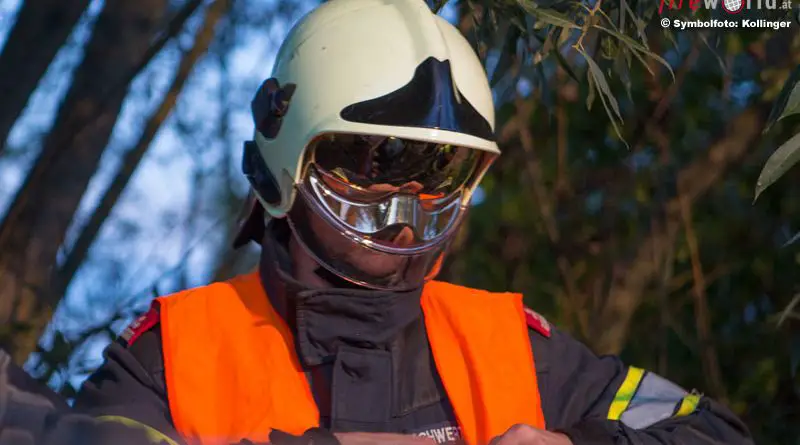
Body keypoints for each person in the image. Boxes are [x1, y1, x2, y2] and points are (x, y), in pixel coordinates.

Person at [69, 0, 753, 444]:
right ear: (289, 152)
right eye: (373, 161)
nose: (405, 202)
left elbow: (713, 430)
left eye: (438, 171)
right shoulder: (173, 354)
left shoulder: (508, 345)